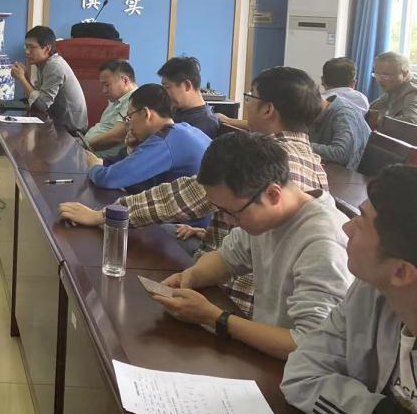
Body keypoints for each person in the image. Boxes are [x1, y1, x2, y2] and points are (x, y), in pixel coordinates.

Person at [59, 66, 327, 317]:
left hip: (235, 298)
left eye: (250, 97)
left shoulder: (263, 157)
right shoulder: (313, 161)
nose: (247, 104)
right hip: (244, 286)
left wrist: (103, 215)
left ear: (268, 109)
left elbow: (179, 197)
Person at [149, 133, 352, 361]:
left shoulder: (323, 244)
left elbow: (310, 345)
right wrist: (190, 277)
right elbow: (226, 258)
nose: (228, 220)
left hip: (295, 369)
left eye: (232, 212)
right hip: (264, 353)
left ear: (273, 194)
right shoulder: (267, 217)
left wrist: (215, 318)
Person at [282, 165, 417, 414]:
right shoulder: (370, 291)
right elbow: (301, 374)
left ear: (401, 272)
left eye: (361, 222)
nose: (346, 227)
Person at [84, 84, 211, 195]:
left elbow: (108, 179)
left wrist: (95, 166)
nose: (129, 125)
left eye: (130, 117)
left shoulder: (164, 142)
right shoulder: (183, 129)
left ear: (146, 113)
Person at [10, 25, 87, 134]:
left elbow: (41, 105)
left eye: (32, 47)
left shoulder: (54, 66)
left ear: (47, 49)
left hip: (71, 131)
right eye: (26, 47)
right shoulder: (43, 63)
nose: (27, 51)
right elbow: (36, 99)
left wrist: (22, 79)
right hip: (56, 124)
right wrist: (25, 76)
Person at [157, 56, 221, 139]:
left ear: (187, 85)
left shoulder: (206, 123)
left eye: (167, 87)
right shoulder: (176, 110)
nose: (164, 93)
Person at [84, 60, 137, 158]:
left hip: (103, 160)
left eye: (107, 85)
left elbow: (117, 136)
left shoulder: (133, 99)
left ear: (125, 81)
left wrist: (84, 144)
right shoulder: (117, 100)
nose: (104, 90)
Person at [311, 91, 370, 170]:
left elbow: (342, 153)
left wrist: (304, 146)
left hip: (352, 172)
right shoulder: (322, 111)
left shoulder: (344, 114)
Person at [370, 52, 417, 125]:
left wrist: (379, 120)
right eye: (377, 74)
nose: (379, 80)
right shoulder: (394, 86)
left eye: (386, 75)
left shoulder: (413, 91)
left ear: (404, 74)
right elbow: (373, 107)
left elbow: (411, 122)